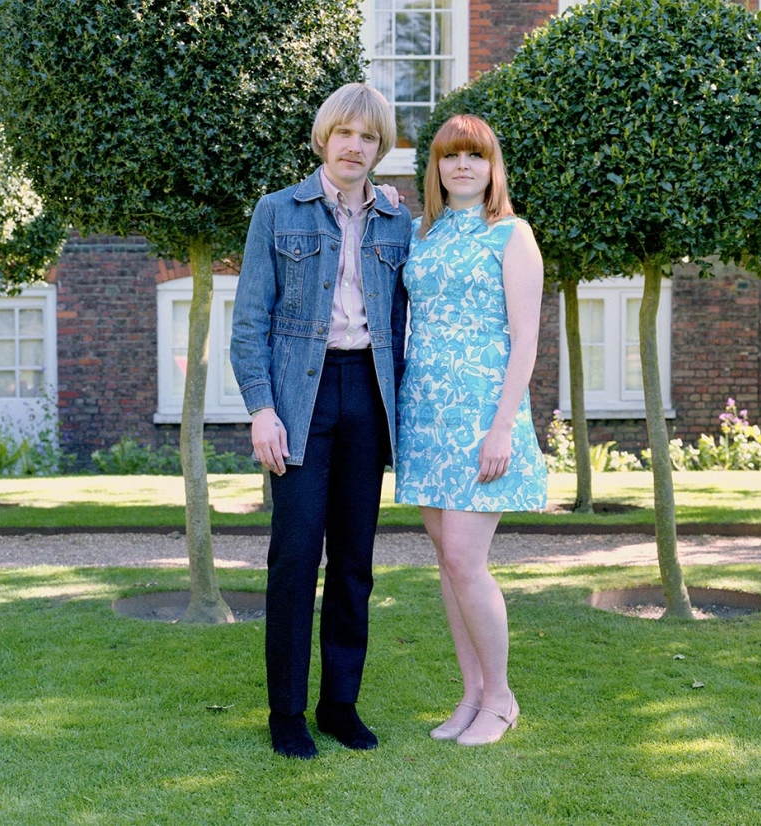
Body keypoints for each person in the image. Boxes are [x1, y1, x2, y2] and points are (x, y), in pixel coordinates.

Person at [230, 83, 411, 760]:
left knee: (354, 563)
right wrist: (262, 410)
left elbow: (406, 318)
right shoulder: (277, 212)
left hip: (368, 393)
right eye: (344, 133)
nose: (354, 147)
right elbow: (249, 323)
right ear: (323, 138)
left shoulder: (397, 221)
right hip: (299, 399)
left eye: (368, 137)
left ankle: (339, 705)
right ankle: (286, 713)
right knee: (295, 557)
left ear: (379, 148)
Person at [394, 114, 548, 747]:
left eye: (475, 156)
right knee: (448, 563)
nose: (462, 165)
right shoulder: (419, 233)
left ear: (492, 167)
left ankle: (502, 698)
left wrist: (501, 428)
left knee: (465, 558)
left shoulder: (511, 234)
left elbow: (526, 339)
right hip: (425, 414)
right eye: (450, 156)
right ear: (435, 167)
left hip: (482, 415)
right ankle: (472, 695)